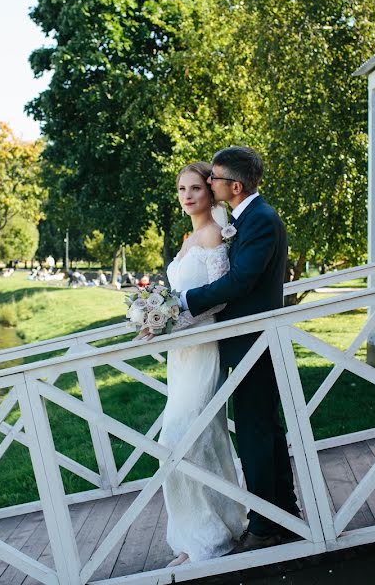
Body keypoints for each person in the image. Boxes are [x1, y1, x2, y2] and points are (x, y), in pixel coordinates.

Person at [180, 147, 299, 553]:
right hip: (247, 342)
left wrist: (182, 304)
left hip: (256, 342)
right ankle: (286, 516)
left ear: (235, 185)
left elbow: (240, 282)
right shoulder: (246, 219)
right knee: (263, 431)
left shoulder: (261, 220)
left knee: (255, 434)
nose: (209, 184)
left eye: (212, 178)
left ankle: (266, 526)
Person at [143, 161, 247, 566]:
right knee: (205, 438)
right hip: (180, 355)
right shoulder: (188, 238)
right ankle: (198, 534)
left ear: (210, 190)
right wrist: (155, 318)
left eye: (195, 189)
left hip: (204, 347)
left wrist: (173, 317)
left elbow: (221, 297)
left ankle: (212, 538)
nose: (187, 196)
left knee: (182, 439)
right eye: (181, 189)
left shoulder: (215, 234)